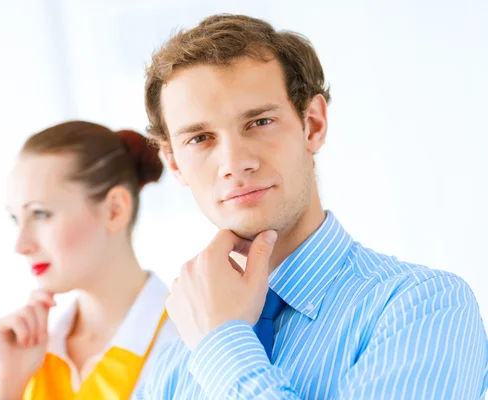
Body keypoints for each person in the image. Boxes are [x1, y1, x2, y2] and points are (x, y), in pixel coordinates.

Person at [136, 14, 488, 399]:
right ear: (174, 162)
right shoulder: (175, 364)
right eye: (200, 138)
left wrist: (224, 347)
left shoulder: (423, 308)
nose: (234, 163)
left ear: (313, 124)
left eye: (259, 122)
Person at [0, 120, 177, 400]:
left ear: (114, 210)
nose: (20, 245)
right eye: (16, 218)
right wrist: (4, 389)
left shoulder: (191, 343)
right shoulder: (30, 356)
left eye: (40, 214)